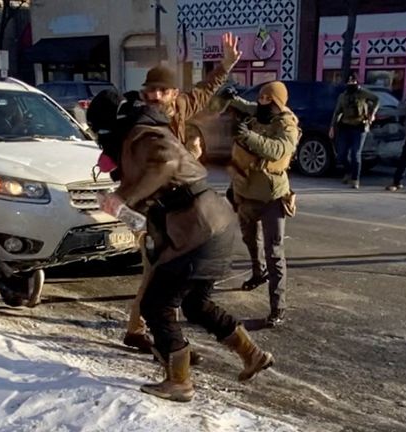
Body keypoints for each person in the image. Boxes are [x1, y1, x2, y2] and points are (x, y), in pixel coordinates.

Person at [87, 89, 274, 403]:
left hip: (198, 229)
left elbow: (168, 161)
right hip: (214, 224)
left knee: (155, 305)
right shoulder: (145, 131)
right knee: (196, 305)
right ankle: (252, 354)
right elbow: (153, 197)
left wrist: (122, 199)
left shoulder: (141, 134)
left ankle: (179, 381)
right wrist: (123, 207)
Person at [122, 31, 242, 354]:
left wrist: (226, 65)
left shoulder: (181, 107)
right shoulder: (138, 120)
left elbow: (206, 90)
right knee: (158, 273)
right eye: (151, 91)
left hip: (176, 210)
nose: (156, 96)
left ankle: (145, 331)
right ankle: (158, 338)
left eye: (163, 91)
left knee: (162, 274)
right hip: (153, 209)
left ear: (174, 94)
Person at [226, 81, 299, 327]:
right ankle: (258, 273)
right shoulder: (259, 112)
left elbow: (277, 150)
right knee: (249, 239)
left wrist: (248, 136)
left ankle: (278, 307)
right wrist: (229, 95)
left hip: (272, 196)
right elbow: (243, 105)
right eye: (260, 98)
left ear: (276, 102)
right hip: (246, 192)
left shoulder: (287, 125)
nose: (260, 103)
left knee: (274, 252)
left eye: (266, 99)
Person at [329, 74, 380, 189]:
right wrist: (332, 126)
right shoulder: (343, 96)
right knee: (341, 155)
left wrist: (372, 114)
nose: (351, 83)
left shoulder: (363, 93)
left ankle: (355, 179)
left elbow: (376, 99)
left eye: (353, 81)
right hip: (345, 126)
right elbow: (337, 112)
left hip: (359, 127)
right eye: (349, 81)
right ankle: (348, 172)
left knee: (355, 154)